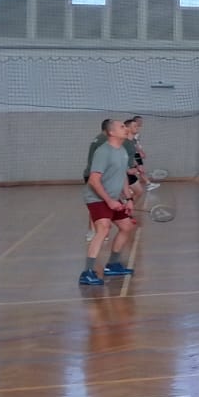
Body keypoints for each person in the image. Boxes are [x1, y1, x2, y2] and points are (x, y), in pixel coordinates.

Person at [81, 117, 137, 287]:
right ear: (111, 132)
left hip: (113, 197)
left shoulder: (122, 150)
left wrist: (128, 199)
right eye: (122, 127)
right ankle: (87, 272)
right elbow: (93, 180)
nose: (126, 129)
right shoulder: (103, 152)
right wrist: (110, 201)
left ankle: (112, 265)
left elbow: (122, 176)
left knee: (127, 227)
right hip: (97, 198)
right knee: (103, 229)